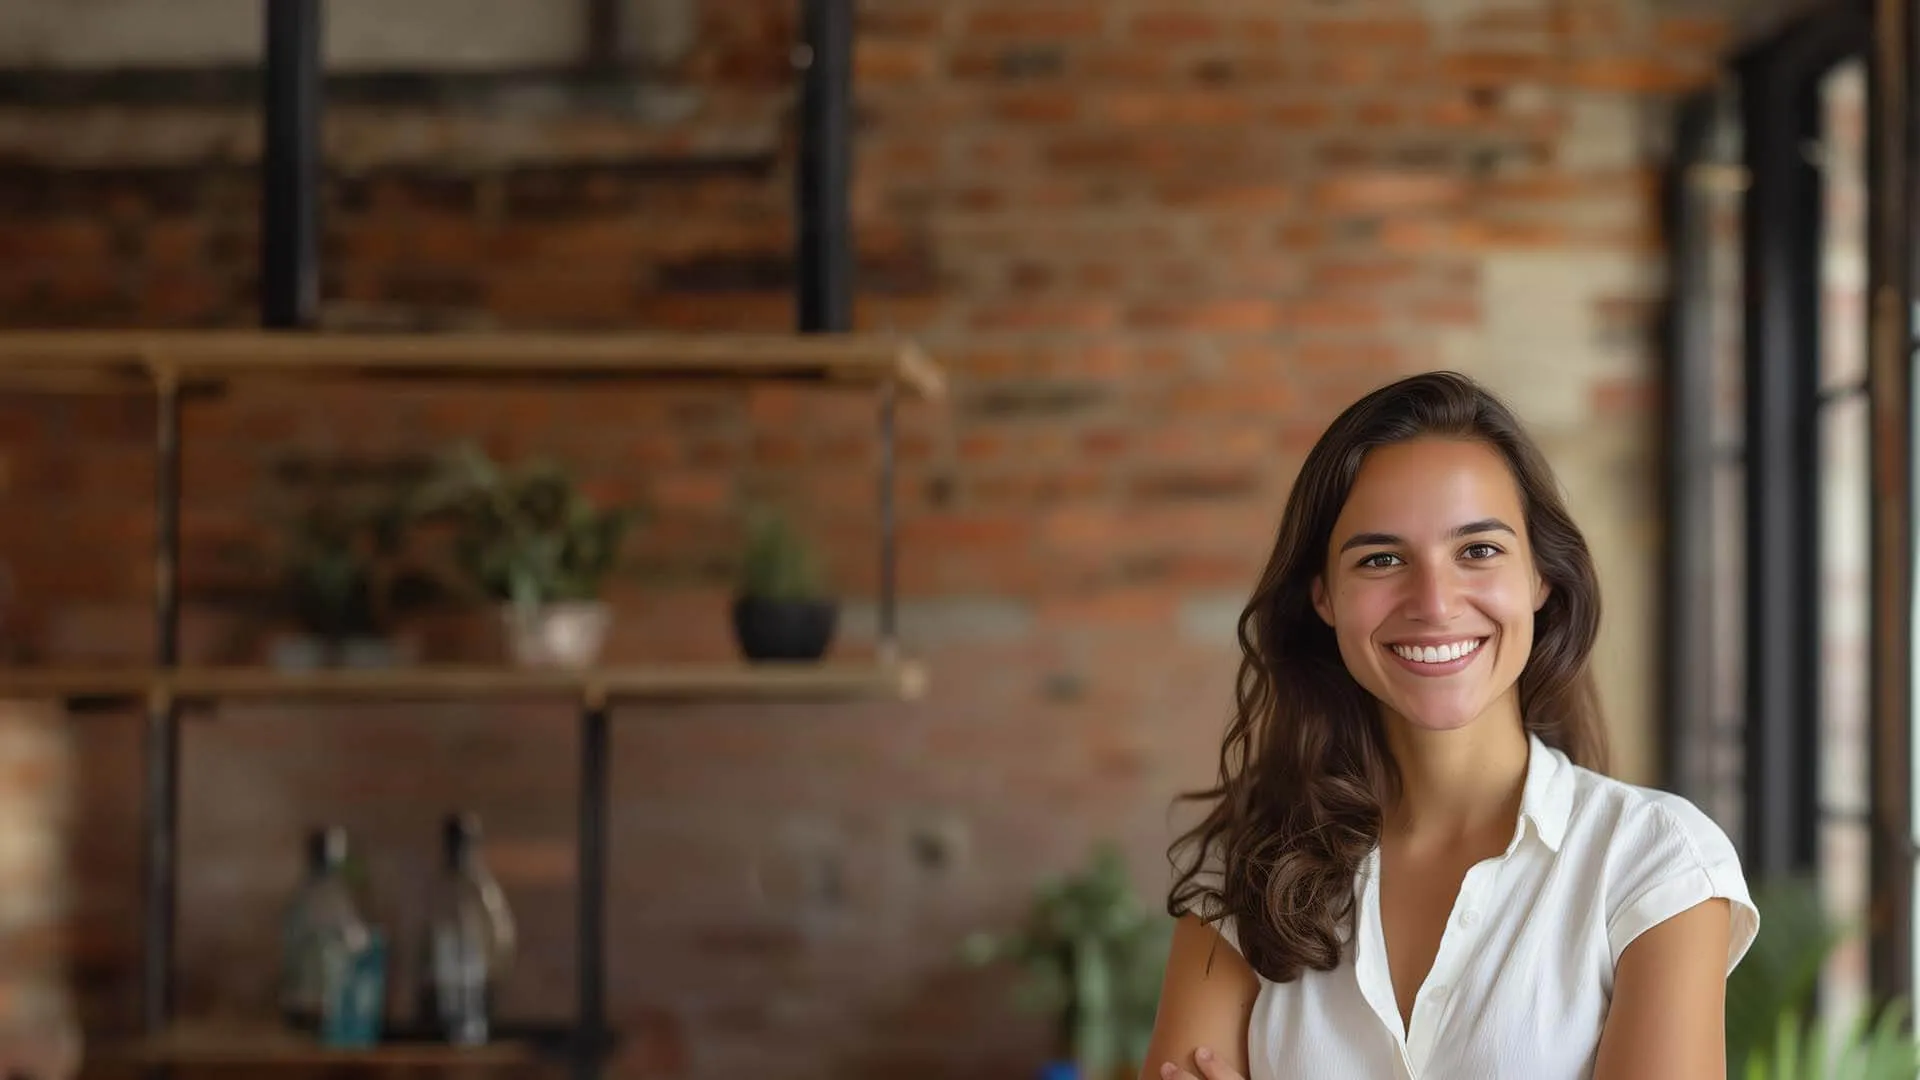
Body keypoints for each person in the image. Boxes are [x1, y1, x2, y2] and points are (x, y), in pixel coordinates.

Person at [1143, 372, 1757, 1080]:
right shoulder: (1247, 865)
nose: (1434, 603)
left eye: (1478, 550)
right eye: (1381, 559)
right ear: (1323, 596)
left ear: (1540, 578)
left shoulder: (1654, 864)